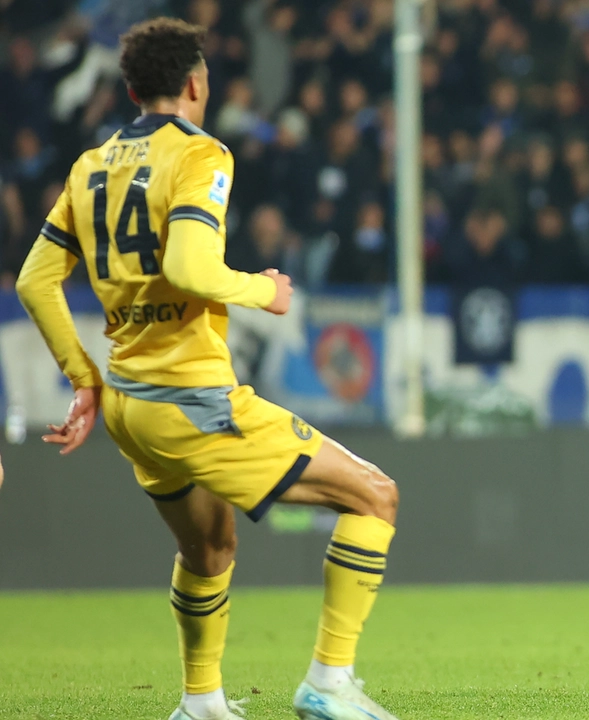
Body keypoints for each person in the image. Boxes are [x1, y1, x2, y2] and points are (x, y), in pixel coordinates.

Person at [14, 19, 400, 720]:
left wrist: (83, 379)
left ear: (131, 90)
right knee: (374, 497)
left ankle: (202, 704)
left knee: (209, 547)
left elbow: (34, 282)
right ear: (195, 83)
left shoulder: (90, 164)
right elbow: (189, 266)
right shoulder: (203, 155)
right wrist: (263, 290)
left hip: (130, 400)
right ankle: (329, 681)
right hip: (191, 397)